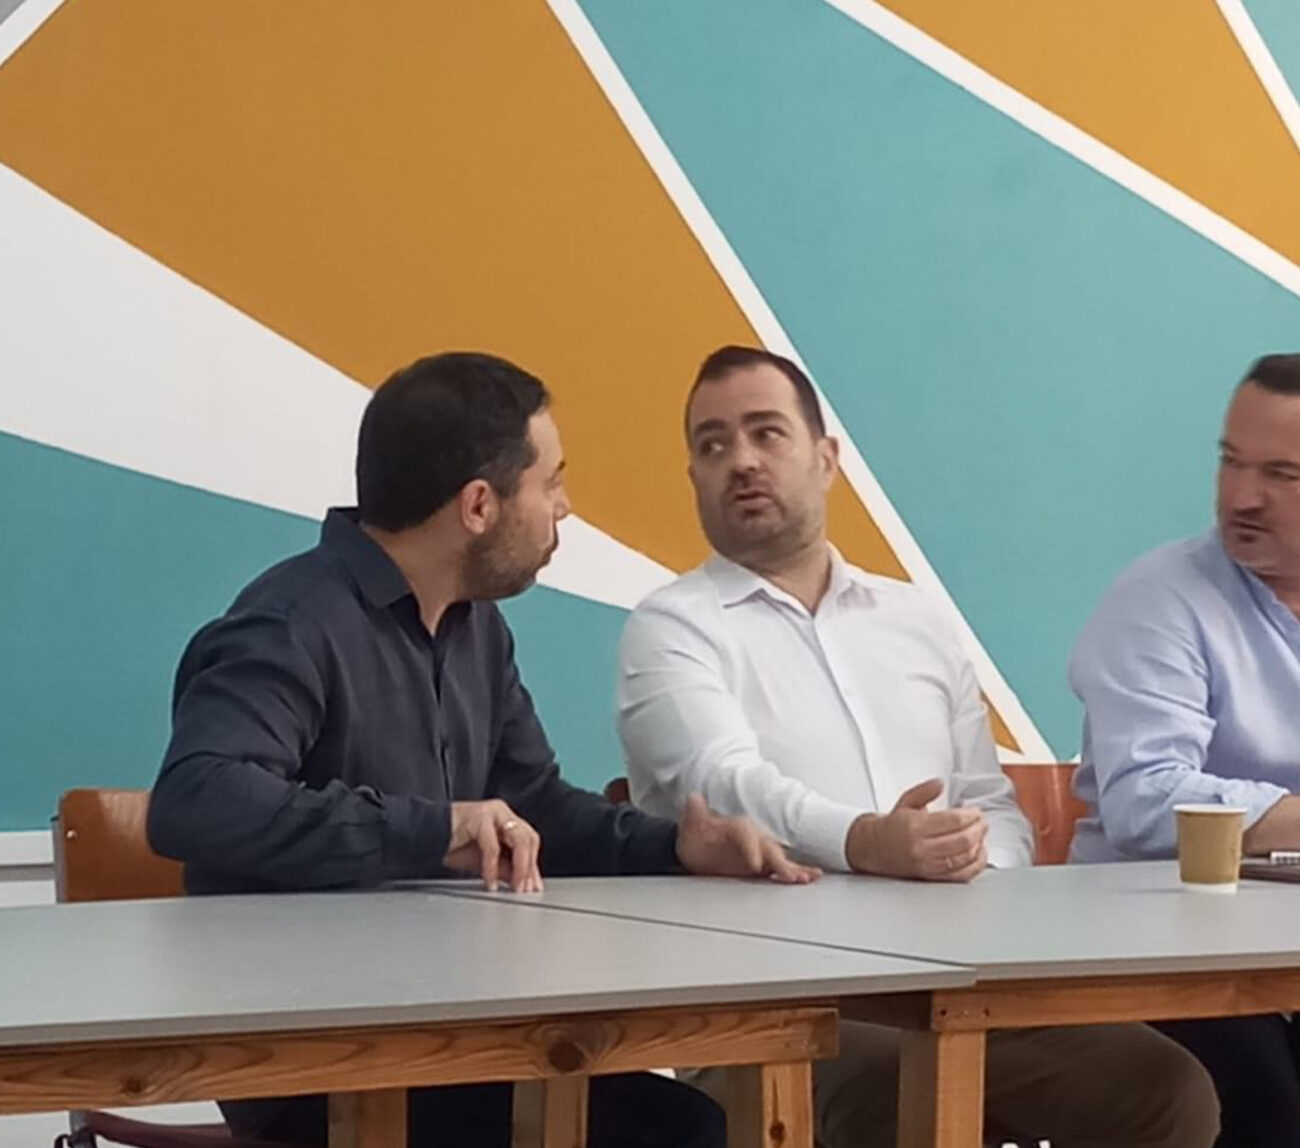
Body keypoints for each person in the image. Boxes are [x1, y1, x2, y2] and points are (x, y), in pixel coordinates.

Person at [148, 351, 817, 1148]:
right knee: (681, 1134)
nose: (565, 509)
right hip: (317, 1062)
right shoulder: (291, 621)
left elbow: (533, 807)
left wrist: (674, 845)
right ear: (478, 505)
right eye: (551, 483)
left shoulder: (478, 630)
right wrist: (435, 829)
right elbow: (198, 799)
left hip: (459, 1033)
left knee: (703, 1125)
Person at [619, 344, 1219, 1148]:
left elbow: (989, 803)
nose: (742, 461)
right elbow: (724, 787)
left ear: (827, 459)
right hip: (771, 1008)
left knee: (1164, 1089)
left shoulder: (916, 621)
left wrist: (970, 859)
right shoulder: (671, 626)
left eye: (767, 433)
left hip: (958, 988)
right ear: (694, 476)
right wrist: (871, 843)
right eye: (713, 444)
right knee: (894, 1096)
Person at [1071, 351, 1300, 1147]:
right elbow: (1144, 800)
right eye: (1231, 461)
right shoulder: (1161, 598)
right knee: (1264, 1101)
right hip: (1155, 957)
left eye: (1281, 474)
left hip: (1283, 956)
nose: (1241, 497)